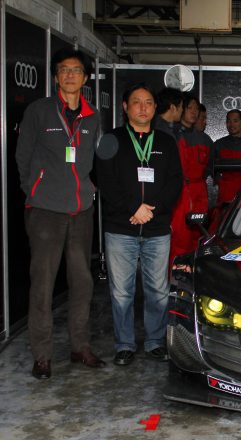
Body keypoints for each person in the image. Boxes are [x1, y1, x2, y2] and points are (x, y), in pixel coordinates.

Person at [15, 47, 106, 379]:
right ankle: (42, 355)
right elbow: (23, 156)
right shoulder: (39, 111)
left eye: (76, 70)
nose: (70, 75)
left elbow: (96, 159)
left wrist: (90, 189)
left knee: (82, 282)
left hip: (81, 211)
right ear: (56, 76)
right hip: (46, 211)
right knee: (43, 284)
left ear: (85, 78)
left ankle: (80, 347)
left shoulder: (93, 116)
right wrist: (35, 190)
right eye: (64, 69)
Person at [96, 83, 182, 366]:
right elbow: (105, 181)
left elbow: (175, 182)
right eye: (136, 102)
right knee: (121, 292)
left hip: (156, 228)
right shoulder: (111, 139)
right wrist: (134, 208)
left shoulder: (166, 142)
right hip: (120, 228)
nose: (143, 107)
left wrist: (151, 211)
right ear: (125, 107)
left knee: (158, 291)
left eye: (148, 102)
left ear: (155, 108)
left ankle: (155, 341)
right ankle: (124, 344)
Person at [170, 93, 212, 265]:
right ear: (181, 109)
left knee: (199, 235)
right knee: (180, 236)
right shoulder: (172, 134)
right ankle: (175, 274)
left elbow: (210, 167)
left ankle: (194, 271)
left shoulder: (204, 139)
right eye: (189, 108)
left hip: (200, 190)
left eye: (196, 108)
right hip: (180, 192)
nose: (194, 112)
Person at [210, 109, 241, 226]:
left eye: (235, 121)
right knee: (223, 226)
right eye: (229, 121)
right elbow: (212, 170)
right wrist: (219, 183)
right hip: (225, 196)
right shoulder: (218, 144)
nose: (231, 124)